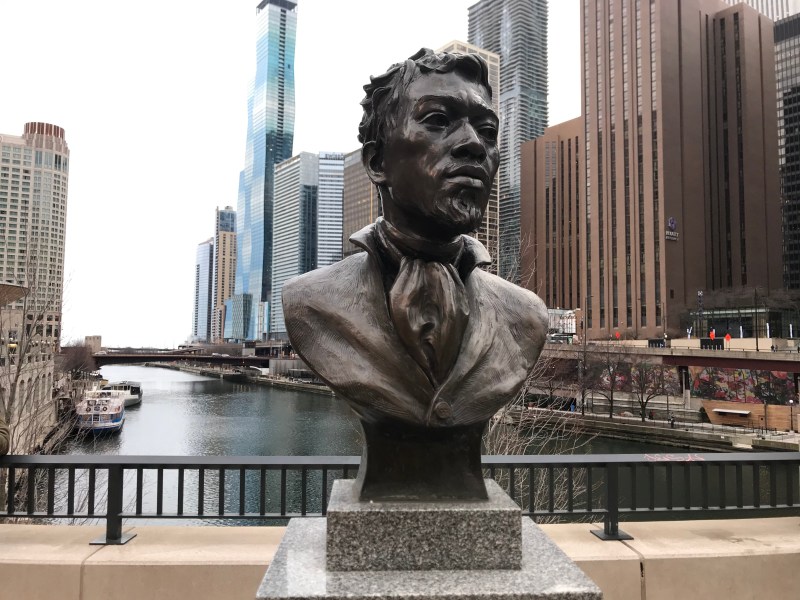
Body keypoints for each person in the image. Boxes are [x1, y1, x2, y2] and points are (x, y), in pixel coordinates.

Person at [282, 49, 547, 430]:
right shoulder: (308, 302)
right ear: (377, 163)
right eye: (438, 120)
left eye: (488, 131)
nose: (474, 143)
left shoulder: (526, 316)